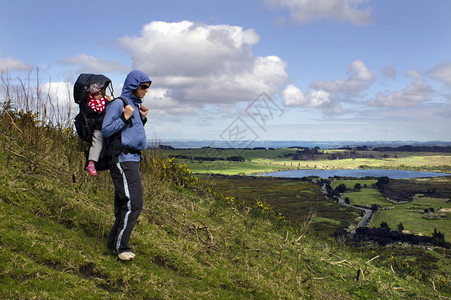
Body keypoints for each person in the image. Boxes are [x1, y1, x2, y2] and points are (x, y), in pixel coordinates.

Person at [102, 70, 151, 261]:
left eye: (148, 87)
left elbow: (130, 133)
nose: (146, 90)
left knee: (125, 203)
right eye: (143, 86)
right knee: (134, 203)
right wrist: (124, 117)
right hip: (123, 159)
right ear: (134, 85)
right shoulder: (118, 104)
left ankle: (114, 243)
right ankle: (122, 247)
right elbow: (106, 130)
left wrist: (142, 118)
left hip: (133, 159)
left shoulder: (134, 106)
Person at [85, 85, 112, 175]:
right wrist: (107, 102)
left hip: (104, 126)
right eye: (97, 94)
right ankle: (91, 163)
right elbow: (98, 111)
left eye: (101, 94)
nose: (100, 96)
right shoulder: (91, 103)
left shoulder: (102, 101)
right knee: (97, 143)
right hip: (97, 127)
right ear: (92, 95)